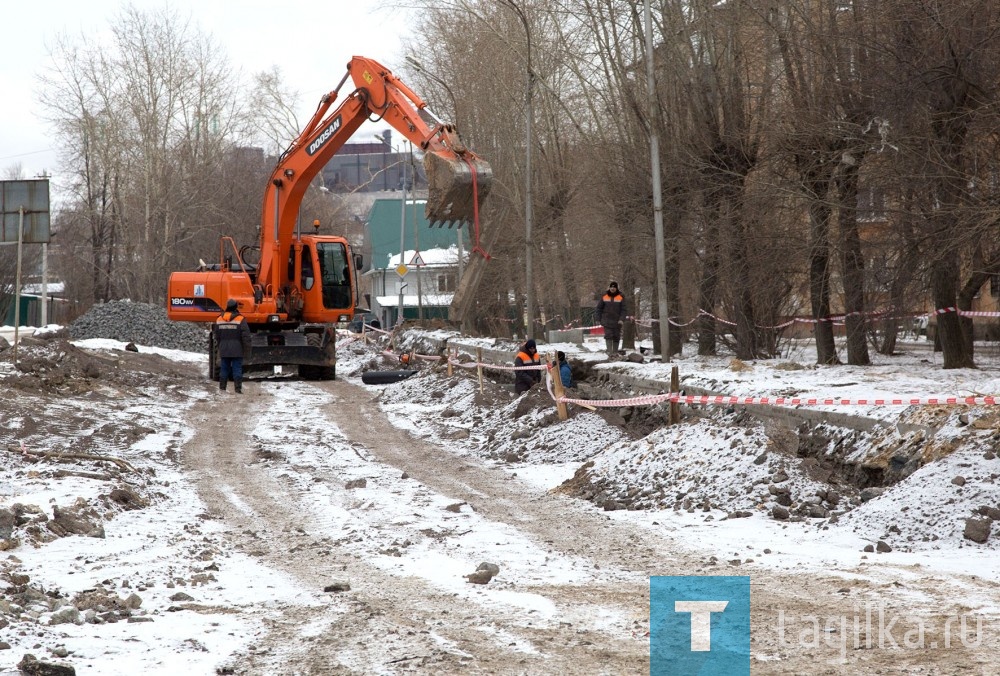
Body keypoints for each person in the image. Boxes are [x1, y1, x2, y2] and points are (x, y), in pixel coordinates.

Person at [214, 299, 252, 393]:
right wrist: (247, 350)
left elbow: (217, 336)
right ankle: (238, 389)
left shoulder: (219, 319)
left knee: (224, 368)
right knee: (237, 369)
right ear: (236, 307)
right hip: (237, 349)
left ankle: (222, 388)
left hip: (224, 348)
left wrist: (220, 345)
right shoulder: (240, 319)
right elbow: (246, 336)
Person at [596, 280, 626, 357]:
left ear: (616, 288)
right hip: (606, 320)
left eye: (614, 287)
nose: (612, 288)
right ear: (609, 288)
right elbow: (599, 308)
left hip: (617, 321)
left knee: (616, 336)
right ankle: (609, 352)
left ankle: (615, 352)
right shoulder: (604, 296)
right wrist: (598, 319)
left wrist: (621, 319)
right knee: (608, 335)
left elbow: (624, 309)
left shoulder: (621, 297)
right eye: (611, 287)